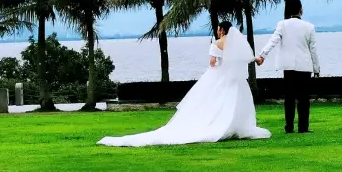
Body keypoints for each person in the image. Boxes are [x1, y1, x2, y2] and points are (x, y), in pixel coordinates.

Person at [98, 22, 271, 147]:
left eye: (218, 29)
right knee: (232, 102)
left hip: (218, 75)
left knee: (211, 102)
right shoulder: (235, 44)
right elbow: (244, 58)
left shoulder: (217, 43)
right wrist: (257, 58)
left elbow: (212, 62)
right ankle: (234, 126)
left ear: (221, 30)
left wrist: (219, 62)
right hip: (234, 80)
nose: (218, 32)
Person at [256, 0, 320, 134]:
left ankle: (289, 127)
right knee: (304, 99)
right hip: (304, 66)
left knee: (289, 98)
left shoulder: (282, 24)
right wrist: (316, 69)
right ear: (301, 10)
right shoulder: (309, 27)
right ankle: (303, 127)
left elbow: (272, 41)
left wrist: (262, 55)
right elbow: (313, 50)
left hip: (288, 66)